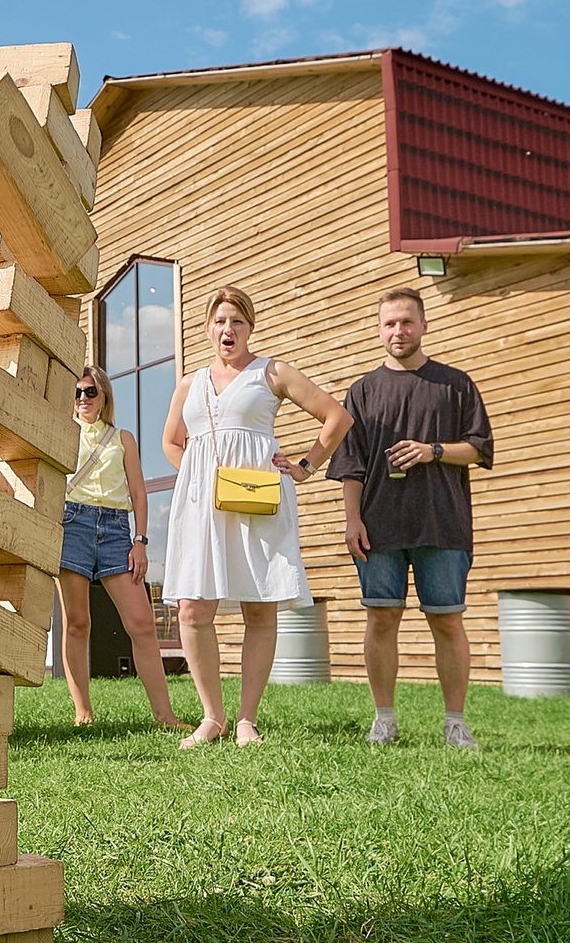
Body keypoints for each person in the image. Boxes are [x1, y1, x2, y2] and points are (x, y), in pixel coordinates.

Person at [160, 286, 352, 749]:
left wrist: (305, 467)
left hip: (258, 499)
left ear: (250, 327)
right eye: (220, 321)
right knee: (192, 607)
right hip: (201, 507)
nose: (228, 330)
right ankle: (212, 717)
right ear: (208, 327)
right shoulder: (189, 383)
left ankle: (247, 718)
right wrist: (195, 475)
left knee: (260, 606)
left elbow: (336, 417)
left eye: (238, 322)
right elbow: (171, 441)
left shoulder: (273, 372)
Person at [324, 288, 494, 749]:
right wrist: (351, 521)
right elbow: (350, 465)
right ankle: (384, 719)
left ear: (423, 325)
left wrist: (433, 451)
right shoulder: (362, 391)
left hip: (443, 524)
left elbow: (479, 449)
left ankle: (455, 722)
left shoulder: (455, 385)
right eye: (389, 324)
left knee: (447, 621)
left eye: (406, 322)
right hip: (379, 526)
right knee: (381, 619)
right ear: (380, 330)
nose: (397, 331)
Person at [56, 364, 183, 729]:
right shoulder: (62, 432)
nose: (82, 398)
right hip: (72, 524)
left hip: (115, 529)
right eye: (77, 392)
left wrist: (139, 541)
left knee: (142, 622)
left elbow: (140, 494)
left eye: (90, 392)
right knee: (78, 622)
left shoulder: (122, 438)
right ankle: (83, 712)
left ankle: (165, 716)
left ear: (104, 397)